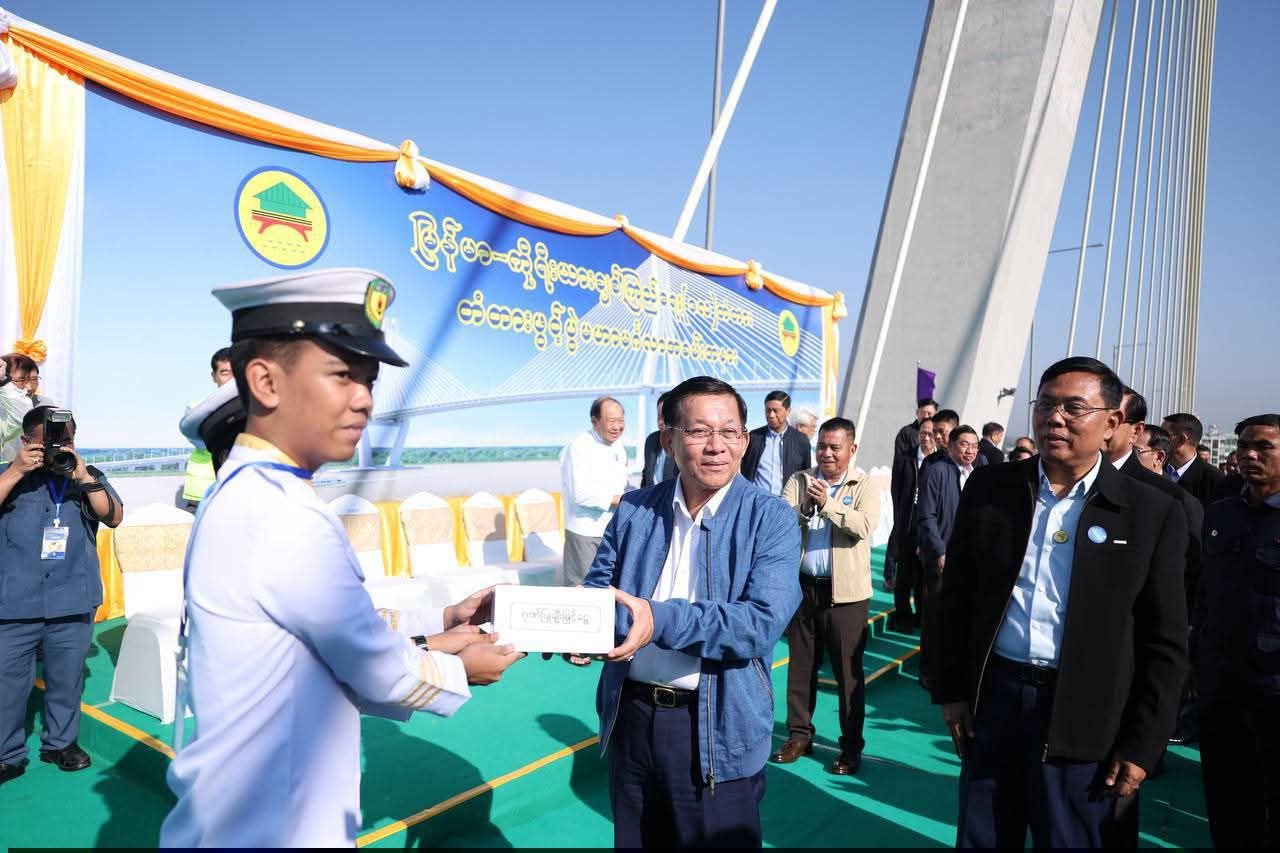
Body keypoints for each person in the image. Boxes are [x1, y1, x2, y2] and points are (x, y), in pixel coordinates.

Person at [161, 269, 523, 847]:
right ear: (265, 382)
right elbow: (377, 671)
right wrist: (463, 669)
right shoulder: (287, 515)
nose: (364, 400)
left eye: (369, 380)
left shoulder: (244, 493)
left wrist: (441, 624)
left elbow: (320, 640)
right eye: (342, 375)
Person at [932, 356, 1188, 848]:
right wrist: (952, 690)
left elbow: (1165, 640)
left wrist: (1143, 744)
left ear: (1112, 422)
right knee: (984, 836)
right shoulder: (991, 489)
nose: (1055, 418)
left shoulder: (1152, 511)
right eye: (1045, 405)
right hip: (997, 700)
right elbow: (957, 598)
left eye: (1074, 408)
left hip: (1088, 716)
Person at [582, 375, 801, 848]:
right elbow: (598, 591)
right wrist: (578, 631)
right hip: (632, 719)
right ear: (669, 440)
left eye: (730, 432)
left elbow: (759, 623)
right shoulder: (635, 510)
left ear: (745, 441)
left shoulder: (772, 518)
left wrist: (658, 619)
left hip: (717, 726)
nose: (717, 446)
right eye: (699, 431)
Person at [0, 406, 124, 785]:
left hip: (72, 597)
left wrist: (83, 476)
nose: (57, 448)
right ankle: (6, 755)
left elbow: (114, 516)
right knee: (7, 685)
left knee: (67, 680)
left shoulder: (84, 476)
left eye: (65, 440)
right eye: (47, 443)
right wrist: (16, 470)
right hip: (15, 601)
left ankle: (60, 744)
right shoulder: (8, 475)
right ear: (26, 441)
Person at [772, 417, 880, 775]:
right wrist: (806, 507)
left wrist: (829, 505)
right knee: (801, 668)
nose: (827, 453)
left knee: (849, 674)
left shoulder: (864, 485)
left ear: (852, 449)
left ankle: (850, 747)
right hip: (804, 589)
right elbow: (780, 522)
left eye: (835, 447)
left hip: (847, 596)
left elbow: (864, 526)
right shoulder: (799, 481)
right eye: (822, 446)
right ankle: (799, 735)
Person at [1195, 414, 1280, 848]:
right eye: (1243, 445)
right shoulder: (1221, 514)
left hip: (1274, 689)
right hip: (1221, 686)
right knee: (1228, 802)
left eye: (1263, 447)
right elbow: (1204, 596)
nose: (1248, 454)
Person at [916, 424, 979, 684]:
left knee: (960, 615)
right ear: (951, 445)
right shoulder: (936, 470)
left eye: (974, 446)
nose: (970, 451)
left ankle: (952, 668)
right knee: (935, 616)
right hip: (940, 557)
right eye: (964, 444)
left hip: (968, 557)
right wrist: (939, 551)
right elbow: (926, 515)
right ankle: (928, 672)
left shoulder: (977, 473)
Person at [560, 396, 629, 585]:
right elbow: (580, 495)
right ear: (595, 421)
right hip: (585, 532)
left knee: (608, 588)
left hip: (612, 530)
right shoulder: (578, 447)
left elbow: (621, 483)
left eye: (621, 420)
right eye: (611, 421)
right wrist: (624, 500)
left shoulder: (619, 445)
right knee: (583, 590)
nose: (617, 427)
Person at [888, 418, 934, 628]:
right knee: (904, 575)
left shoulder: (941, 460)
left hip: (930, 524)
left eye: (931, 434)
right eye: (923, 433)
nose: (927, 438)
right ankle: (903, 615)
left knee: (924, 576)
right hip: (908, 523)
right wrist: (899, 520)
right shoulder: (905, 459)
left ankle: (922, 616)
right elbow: (896, 491)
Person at [180, 347, 233, 509]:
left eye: (236, 371)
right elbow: (204, 443)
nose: (232, 379)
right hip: (202, 486)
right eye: (225, 373)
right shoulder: (196, 409)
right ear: (214, 376)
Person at [740, 390, 811, 496]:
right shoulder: (753, 437)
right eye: (768, 410)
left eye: (776, 410)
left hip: (787, 501)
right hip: (757, 499)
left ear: (788, 411)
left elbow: (806, 475)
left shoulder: (801, 441)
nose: (771, 415)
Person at [1160, 412, 1225, 507]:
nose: (1157, 439)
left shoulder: (1213, 479)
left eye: (1163, 435)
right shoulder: (1155, 469)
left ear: (1182, 439)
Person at [640, 392, 677, 489]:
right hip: (650, 495)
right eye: (660, 416)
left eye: (667, 416)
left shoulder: (684, 443)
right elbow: (646, 476)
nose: (663, 421)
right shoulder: (651, 440)